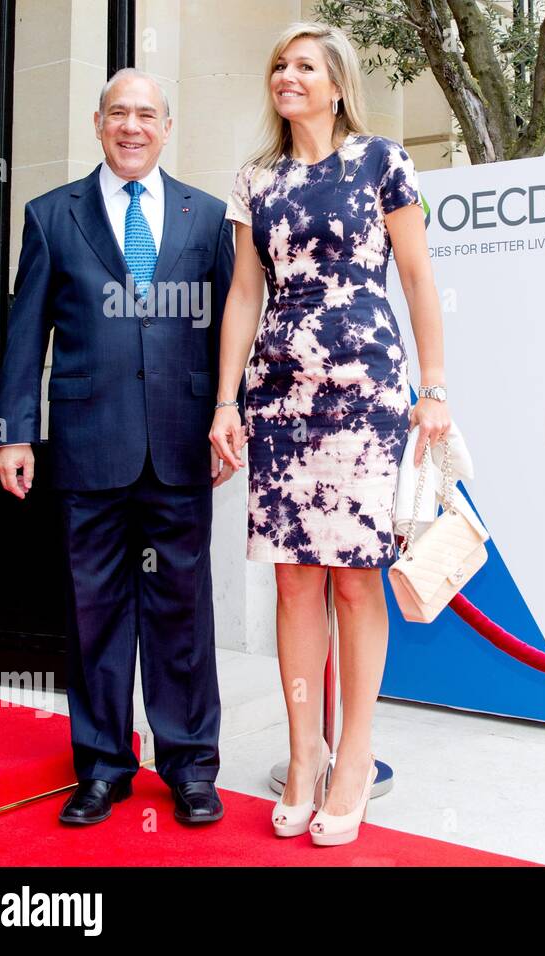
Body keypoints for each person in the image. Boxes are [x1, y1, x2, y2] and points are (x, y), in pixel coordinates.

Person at [210, 21, 449, 847]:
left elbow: (417, 277)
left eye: (304, 65)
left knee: (354, 580)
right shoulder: (255, 181)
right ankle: (303, 754)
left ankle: (354, 755)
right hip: (279, 397)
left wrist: (437, 388)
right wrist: (225, 402)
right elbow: (244, 295)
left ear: (337, 84)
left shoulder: (382, 162)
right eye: (279, 64)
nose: (287, 76)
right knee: (294, 583)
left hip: (366, 394)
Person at [0, 69, 236, 826]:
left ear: (168, 126)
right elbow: (25, 332)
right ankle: (102, 766)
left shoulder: (208, 217)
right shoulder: (50, 214)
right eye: (119, 114)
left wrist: (235, 420)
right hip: (87, 445)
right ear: (98, 123)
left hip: (180, 444)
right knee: (93, 612)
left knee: (181, 611)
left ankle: (191, 766)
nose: (133, 127)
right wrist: (14, 432)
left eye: (147, 115)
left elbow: (233, 328)